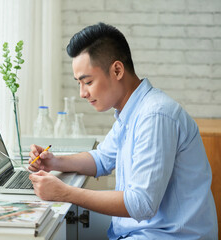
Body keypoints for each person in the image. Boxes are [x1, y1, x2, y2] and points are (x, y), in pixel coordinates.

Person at [28, 22, 218, 239]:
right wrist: (54, 162)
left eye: (87, 82)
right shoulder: (130, 111)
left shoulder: (155, 115)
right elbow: (102, 159)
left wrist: (65, 193)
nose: (82, 93)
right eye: (78, 83)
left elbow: (141, 204)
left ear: (117, 70)